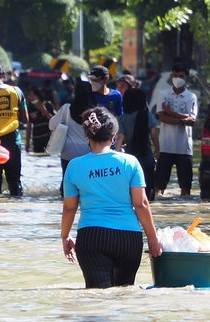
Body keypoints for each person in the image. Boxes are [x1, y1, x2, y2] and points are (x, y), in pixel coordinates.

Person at [61, 106, 163, 288]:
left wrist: (65, 236)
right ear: (113, 136)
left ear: (88, 136)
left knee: (98, 299)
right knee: (123, 296)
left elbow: (70, 207)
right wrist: (153, 238)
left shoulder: (74, 166)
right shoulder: (130, 162)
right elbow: (141, 204)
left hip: (92, 237)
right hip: (129, 239)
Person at [0, 62, 28, 197]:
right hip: (13, 140)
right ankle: (15, 213)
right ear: (3, 74)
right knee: (15, 182)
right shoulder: (17, 92)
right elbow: (25, 119)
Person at [155, 63, 197, 197]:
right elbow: (162, 118)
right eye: (175, 75)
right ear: (171, 76)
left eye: (181, 76)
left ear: (187, 78)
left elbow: (192, 120)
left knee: (186, 188)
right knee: (159, 187)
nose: (177, 78)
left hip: (184, 147)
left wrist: (170, 112)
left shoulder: (191, 97)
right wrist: (182, 120)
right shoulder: (163, 94)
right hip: (165, 146)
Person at [119, 88, 160, 201]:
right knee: (149, 190)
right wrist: (158, 149)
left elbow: (120, 137)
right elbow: (154, 135)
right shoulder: (147, 115)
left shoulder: (123, 118)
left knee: (130, 191)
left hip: (129, 159)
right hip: (146, 158)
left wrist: (115, 154)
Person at [54, 81, 94, 190]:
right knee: (86, 183)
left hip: (68, 151)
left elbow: (51, 125)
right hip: (88, 152)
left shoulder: (66, 108)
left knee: (67, 180)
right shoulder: (95, 112)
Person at [25, 87, 55, 154]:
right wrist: (27, 142)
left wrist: (45, 112)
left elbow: (54, 121)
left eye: (33, 95)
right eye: (30, 95)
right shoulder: (30, 109)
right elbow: (29, 127)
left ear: (38, 95)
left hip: (48, 137)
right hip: (36, 138)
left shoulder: (48, 105)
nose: (31, 97)